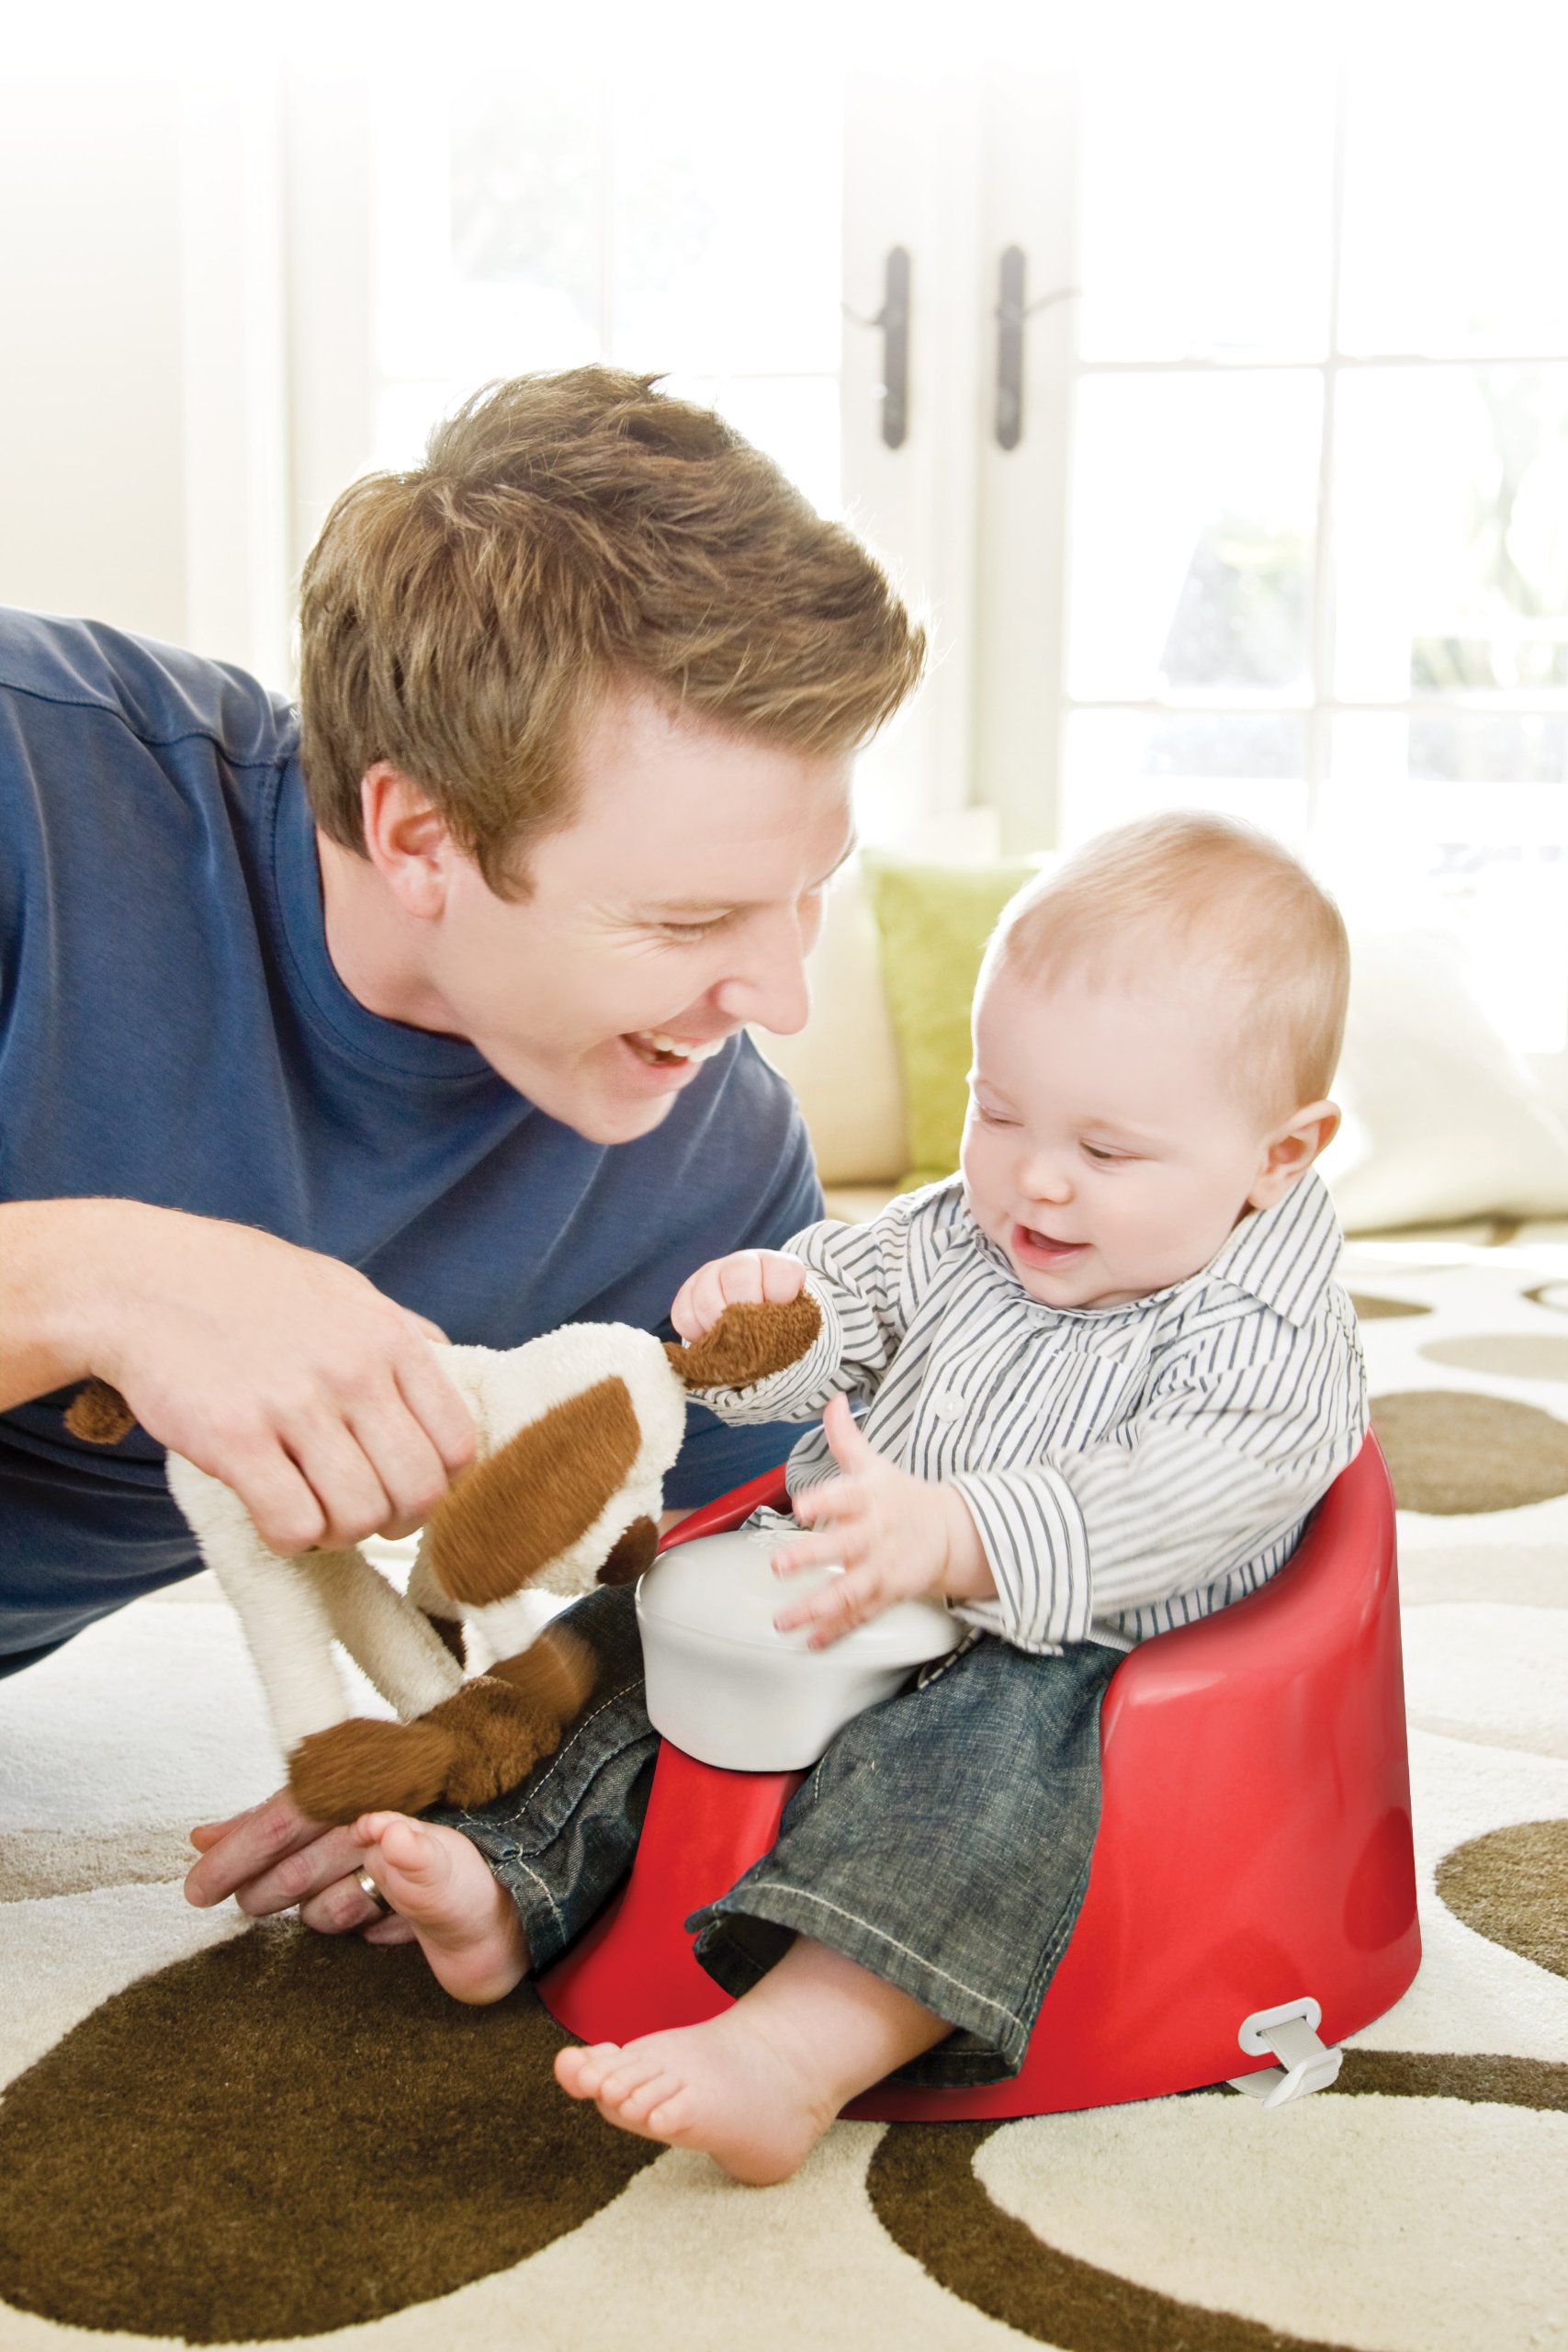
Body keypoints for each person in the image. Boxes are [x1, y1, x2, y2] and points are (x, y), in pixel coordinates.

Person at [0, 366, 924, 1925]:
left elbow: (750, 1600)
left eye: (809, 889)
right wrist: (103, 1279)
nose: (781, 997)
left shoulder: (713, 1166)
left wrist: (512, 1759)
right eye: (687, 919)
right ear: (420, 836)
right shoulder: (32, 785)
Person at [333, 811, 1370, 2184]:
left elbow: (1186, 1492)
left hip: (1068, 1649)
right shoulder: (969, 1227)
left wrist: (960, 1538)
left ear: (1280, 1158)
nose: (1034, 1176)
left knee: (962, 1783)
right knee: (628, 1637)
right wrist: (774, 1317)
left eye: (1109, 1153)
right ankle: (508, 1882)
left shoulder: (1270, 1339)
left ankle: (795, 2051)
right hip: (854, 1570)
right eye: (998, 1111)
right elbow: (857, 1302)